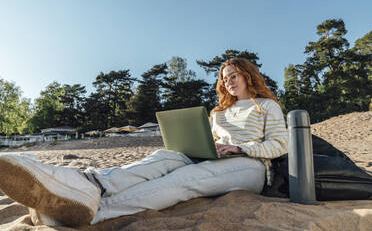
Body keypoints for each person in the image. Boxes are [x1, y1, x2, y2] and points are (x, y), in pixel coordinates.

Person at [0, 57, 288, 227]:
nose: (228, 82)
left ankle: (98, 212)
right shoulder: (219, 113)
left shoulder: (267, 107)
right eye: (224, 79)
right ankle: (91, 185)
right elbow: (211, 140)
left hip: (251, 167)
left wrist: (240, 147)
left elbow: (280, 144)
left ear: (248, 76)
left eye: (233, 76)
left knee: (186, 178)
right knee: (163, 158)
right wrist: (204, 145)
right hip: (215, 156)